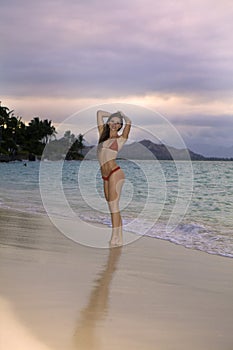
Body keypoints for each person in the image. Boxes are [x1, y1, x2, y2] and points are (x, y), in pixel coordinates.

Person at [97, 110, 131, 247]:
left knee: (114, 206)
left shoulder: (120, 139)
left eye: (118, 123)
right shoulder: (102, 135)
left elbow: (129, 122)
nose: (114, 124)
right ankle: (119, 236)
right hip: (104, 176)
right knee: (112, 206)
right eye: (112, 121)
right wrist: (114, 114)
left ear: (120, 126)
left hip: (115, 173)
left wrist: (123, 114)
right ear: (109, 122)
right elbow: (99, 113)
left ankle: (115, 238)